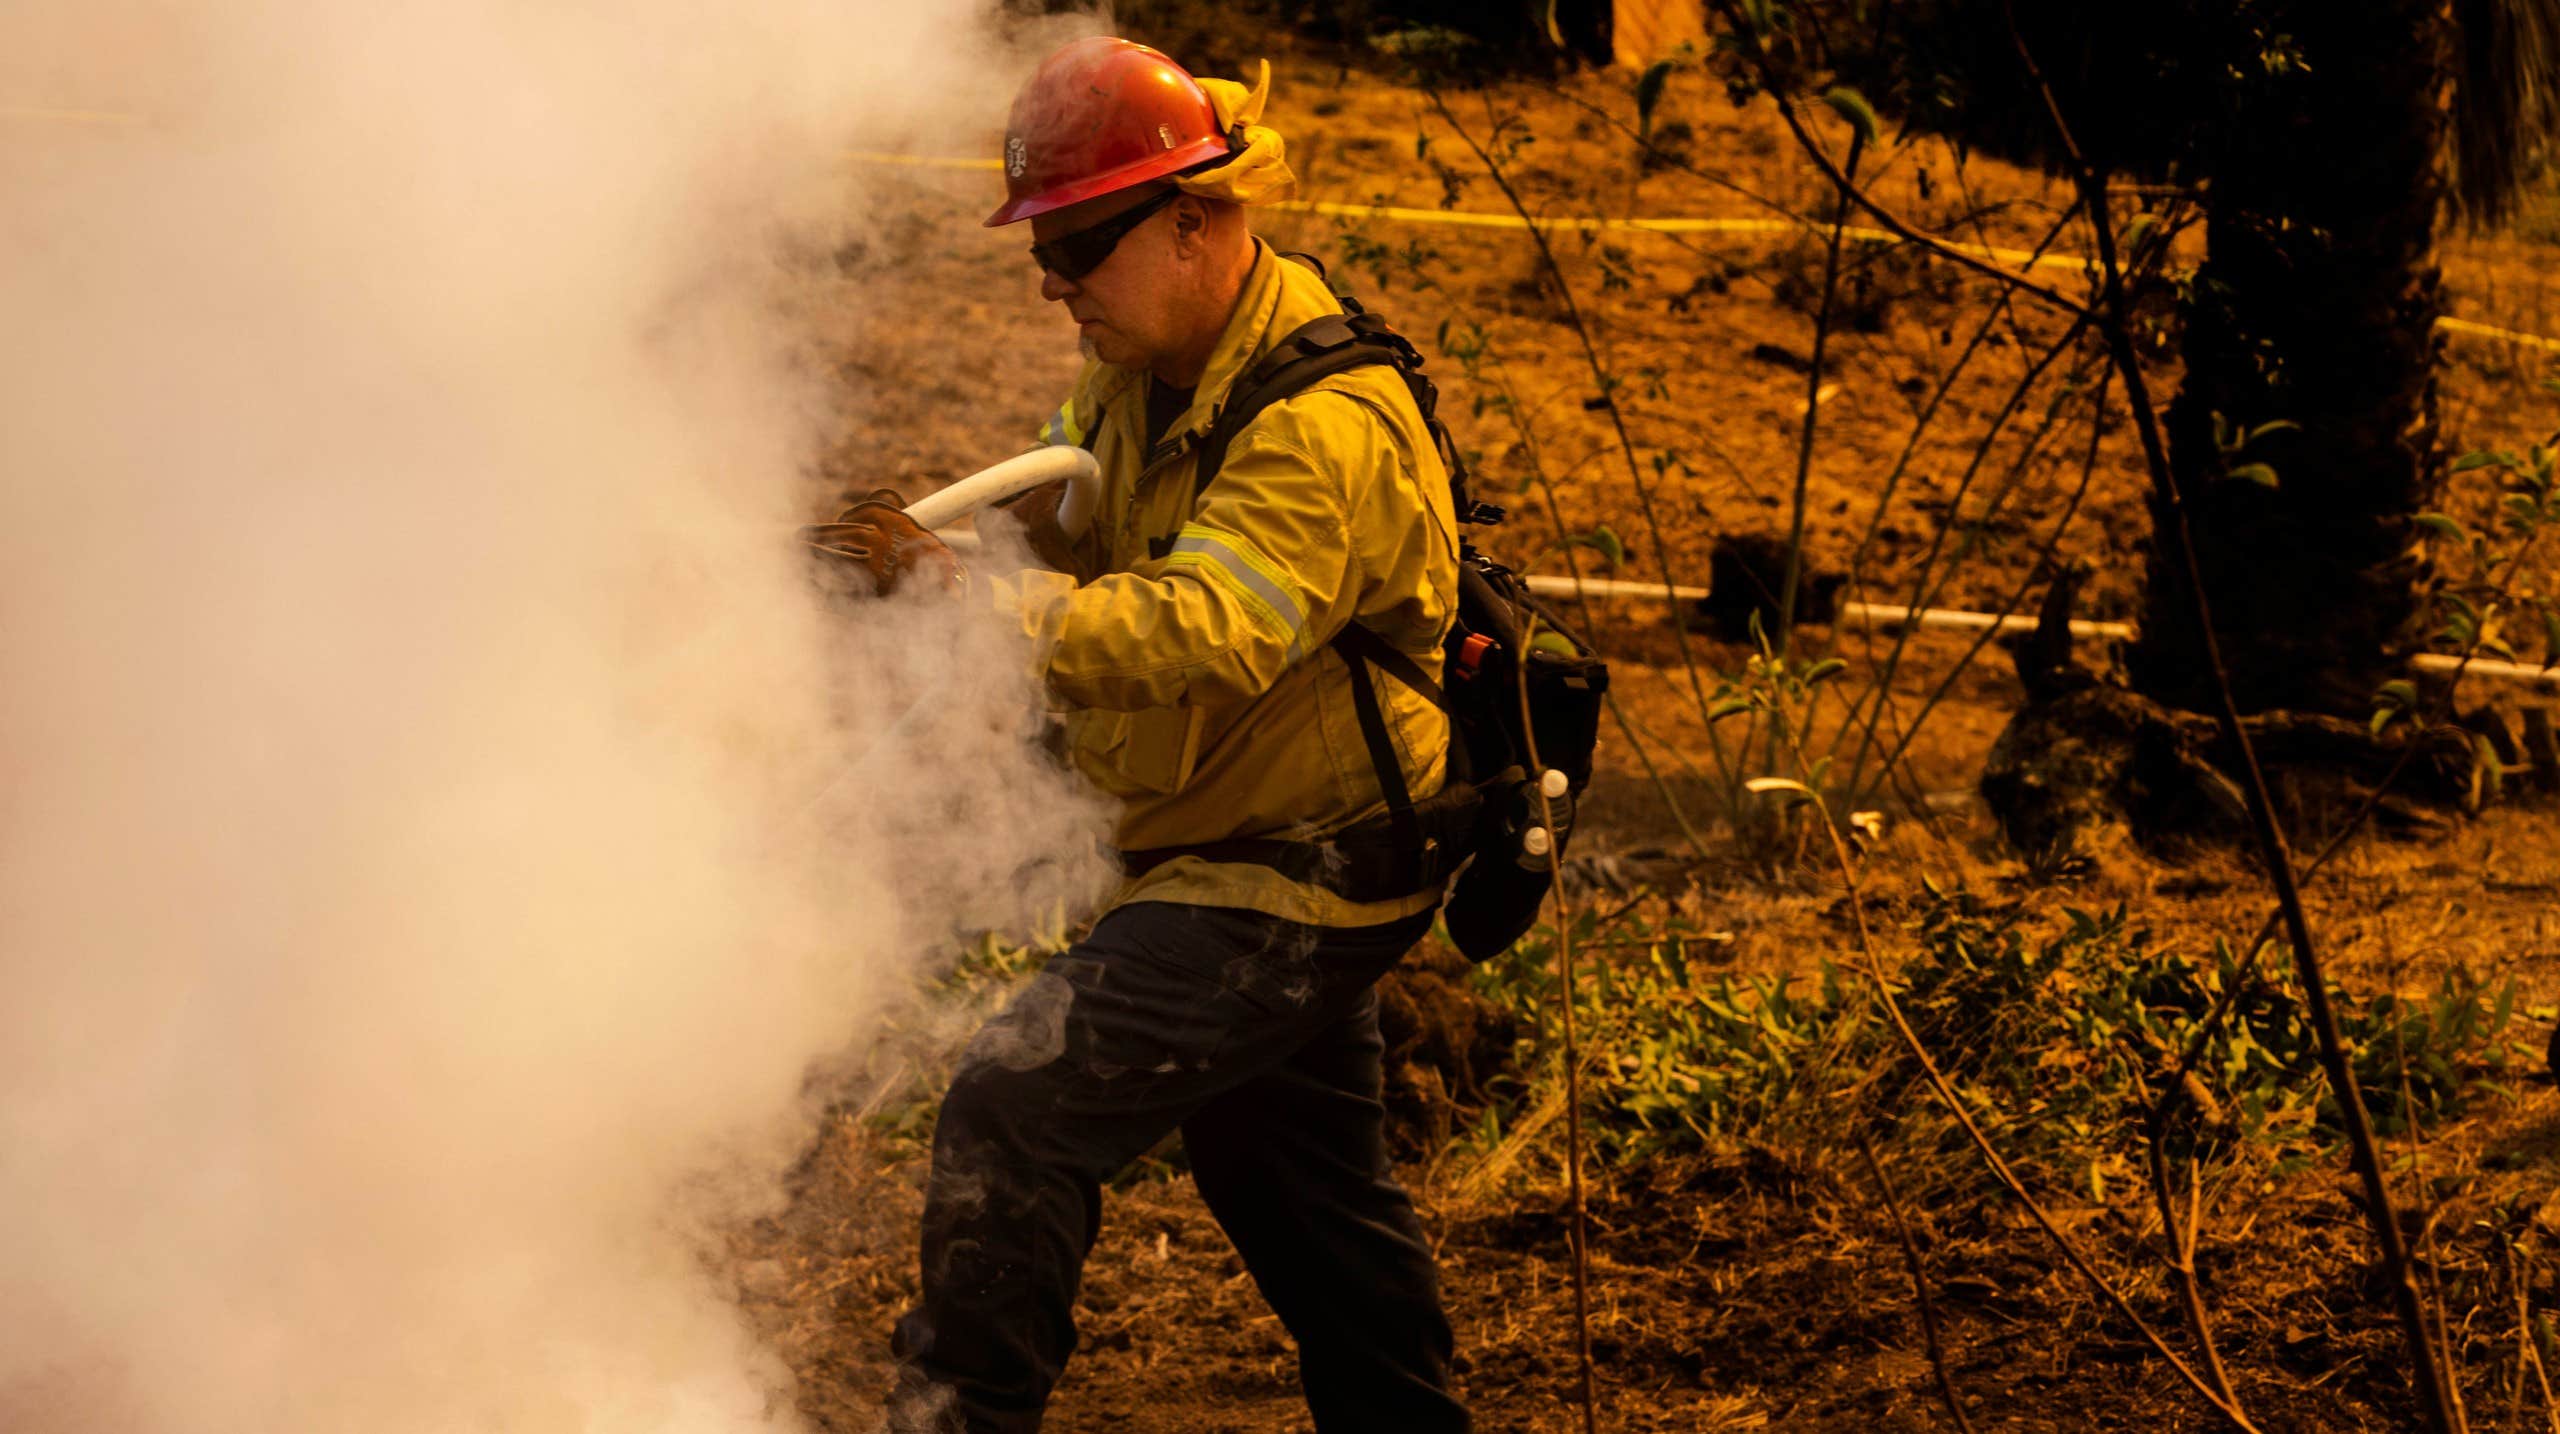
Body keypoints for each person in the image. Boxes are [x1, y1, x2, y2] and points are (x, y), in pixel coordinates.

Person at [816, 34, 1470, 1434]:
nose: (1053, 287)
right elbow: (1068, 506)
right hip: (1228, 842)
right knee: (1293, 1181)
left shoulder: (1328, 424)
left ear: (1193, 223)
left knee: (1018, 1101)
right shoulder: (1146, 366)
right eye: (1038, 249)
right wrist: (909, 550)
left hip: (1307, 858)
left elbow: (1202, 627)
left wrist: (976, 618)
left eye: (1078, 248)